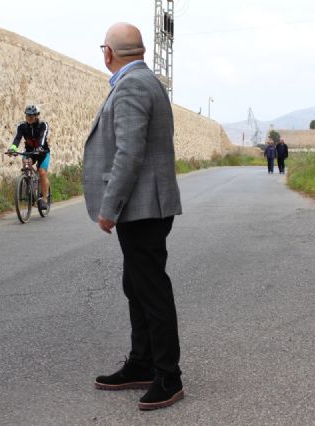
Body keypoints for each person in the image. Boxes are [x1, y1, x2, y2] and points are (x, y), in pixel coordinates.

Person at [82, 22, 184, 411]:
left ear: (107, 52)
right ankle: (142, 363)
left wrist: (110, 208)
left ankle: (168, 377)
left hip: (142, 208)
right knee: (137, 286)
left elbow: (129, 153)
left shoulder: (132, 86)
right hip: (145, 207)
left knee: (151, 290)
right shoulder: (144, 80)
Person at [8, 105, 50, 210]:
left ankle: (44, 199)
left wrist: (40, 147)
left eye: (32, 115)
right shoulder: (22, 126)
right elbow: (17, 138)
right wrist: (12, 148)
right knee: (26, 166)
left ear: (37, 116)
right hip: (30, 152)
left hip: (42, 153)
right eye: (27, 115)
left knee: (41, 172)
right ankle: (29, 186)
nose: (29, 117)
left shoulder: (43, 125)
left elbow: (43, 137)